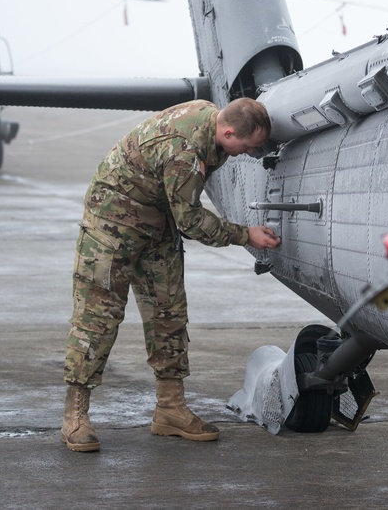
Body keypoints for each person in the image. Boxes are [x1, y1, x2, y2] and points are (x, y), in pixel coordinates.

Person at [60, 98, 281, 452]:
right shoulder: (185, 152)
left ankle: (170, 408)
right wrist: (245, 235)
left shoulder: (210, 119)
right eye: (249, 146)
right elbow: (191, 221)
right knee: (97, 319)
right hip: (111, 222)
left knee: (169, 312)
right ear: (227, 132)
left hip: (156, 220)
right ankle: (75, 415)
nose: (250, 153)